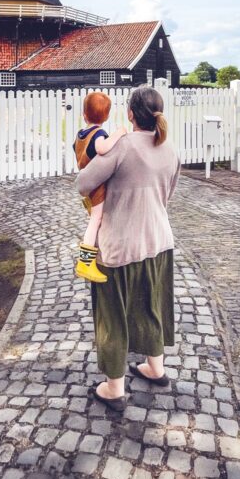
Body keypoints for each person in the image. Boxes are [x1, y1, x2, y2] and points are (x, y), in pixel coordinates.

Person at [76, 84, 181, 412]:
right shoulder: (170, 148)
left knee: (113, 317)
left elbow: (83, 183)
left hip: (120, 247)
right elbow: (168, 194)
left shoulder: (122, 147)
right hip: (159, 241)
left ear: (131, 114)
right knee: (151, 306)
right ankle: (156, 368)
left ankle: (114, 388)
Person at [73, 91, 127, 283]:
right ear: (106, 116)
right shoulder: (99, 134)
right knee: (95, 221)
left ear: (84, 115)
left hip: (88, 183)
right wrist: (118, 134)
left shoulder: (81, 134)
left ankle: (92, 259)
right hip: (97, 186)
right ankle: (85, 263)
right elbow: (102, 148)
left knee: (97, 221)